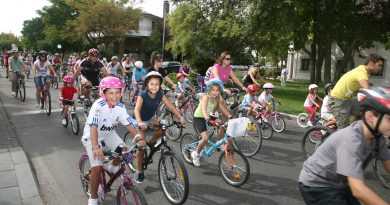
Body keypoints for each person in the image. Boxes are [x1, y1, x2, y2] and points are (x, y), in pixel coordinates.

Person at [298, 86, 390, 205]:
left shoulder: (378, 138)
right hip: (316, 184)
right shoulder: (352, 140)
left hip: (339, 183)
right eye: (389, 118)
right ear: (370, 117)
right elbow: (358, 190)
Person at [81, 76, 141, 205]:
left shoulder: (120, 106)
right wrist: (96, 147)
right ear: (103, 93)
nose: (115, 96)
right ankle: (93, 197)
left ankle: (114, 167)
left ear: (122, 92)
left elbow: (128, 123)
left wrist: (138, 137)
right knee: (97, 168)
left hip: (108, 134)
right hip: (92, 136)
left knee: (125, 151)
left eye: (117, 92)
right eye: (111, 93)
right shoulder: (98, 105)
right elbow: (94, 127)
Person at [132, 71, 186, 182]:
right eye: (152, 84)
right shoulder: (142, 94)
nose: (154, 86)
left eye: (157, 84)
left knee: (163, 127)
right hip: (138, 120)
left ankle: (152, 142)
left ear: (159, 85)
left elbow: (171, 107)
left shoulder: (160, 94)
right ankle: (139, 170)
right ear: (147, 85)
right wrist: (139, 122)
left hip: (150, 119)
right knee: (141, 145)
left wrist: (180, 117)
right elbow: (136, 109)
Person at [330, 53, 385, 128]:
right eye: (379, 65)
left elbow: (368, 87)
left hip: (348, 99)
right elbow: (368, 91)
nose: (380, 68)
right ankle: (344, 134)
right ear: (371, 63)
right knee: (342, 128)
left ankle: (352, 129)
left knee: (365, 112)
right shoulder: (361, 72)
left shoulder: (365, 72)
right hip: (338, 101)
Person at [191, 78, 233, 167]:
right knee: (205, 138)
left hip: (208, 117)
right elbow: (203, 110)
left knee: (222, 126)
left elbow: (223, 109)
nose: (214, 92)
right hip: (199, 117)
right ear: (209, 89)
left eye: (217, 90)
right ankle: (196, 154)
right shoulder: (206, 97)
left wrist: (230, 116)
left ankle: (218, 144)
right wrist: (207, 117)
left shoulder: (217, 99)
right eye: (213, 90)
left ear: (219, 91)